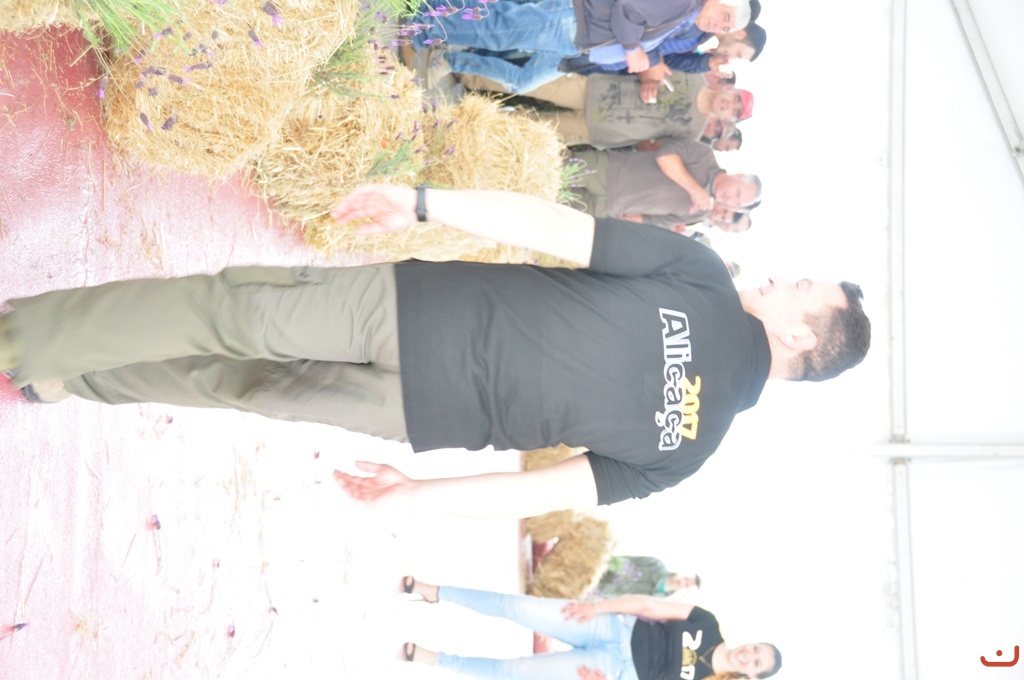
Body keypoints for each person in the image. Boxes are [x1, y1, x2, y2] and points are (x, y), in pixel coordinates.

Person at [1, 185, 870, 516]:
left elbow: (554, 228)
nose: (782, 279)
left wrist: (425, 201)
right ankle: (73, 377)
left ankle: (22, 342)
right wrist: (418, 494)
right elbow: (541, 493)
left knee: (228, 313)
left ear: (799, 335)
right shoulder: (692, 452)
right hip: (424, 414)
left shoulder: (703, 277)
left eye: (800, 289)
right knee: (240, 381)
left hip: (413, 316)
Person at [401, 576, 782, 680]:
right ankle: (437, 592)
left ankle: (438, 660)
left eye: (755, 663)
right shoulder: (707, 622)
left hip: (609, 672)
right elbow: (648, 606)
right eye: (756, 649)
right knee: (516, 607)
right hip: (609, 627)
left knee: (514, 671)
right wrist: (595, 607)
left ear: (751, 675)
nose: (748, 656)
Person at [410, 0, 751, 93]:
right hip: (576, 23)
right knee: (499, 29)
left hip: (579, 34)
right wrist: (633, 49)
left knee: (502, 26)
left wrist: (639, 51)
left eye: (725, 27)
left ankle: (430, 15)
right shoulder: (686, 3)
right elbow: (629, 9)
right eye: (723, 16)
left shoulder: (688, 13)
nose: (718, 25)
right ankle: (424, 22)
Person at [567, 137, 761, 227]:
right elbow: (665, 157)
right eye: (737, 193)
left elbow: (652, 220)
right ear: (738, 176)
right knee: (555, 169)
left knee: (553, 202)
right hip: (608, 171)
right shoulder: (704, 156)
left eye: (736, 204)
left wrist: (616, 214)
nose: (730, 200)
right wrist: (695, 190)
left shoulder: (700, 213)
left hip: (606, 207)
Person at [591, 555, 700, 599]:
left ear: (685, 591)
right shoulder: (656, 564)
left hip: (596, 595)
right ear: (683, 573)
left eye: (686, 585)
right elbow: (620, 560)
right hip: (596, 572)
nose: (682, 582)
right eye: (686, 578)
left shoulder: (658, 600)